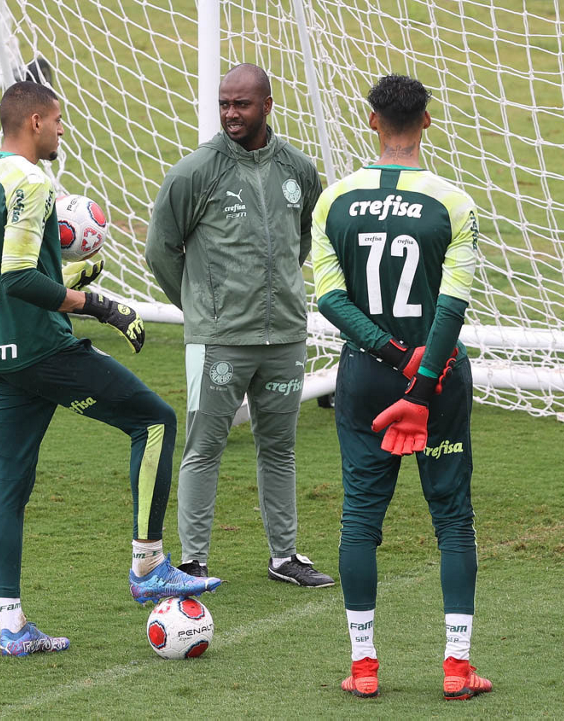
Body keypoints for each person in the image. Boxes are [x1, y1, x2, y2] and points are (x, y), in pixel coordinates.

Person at [0, 81, 220, 657]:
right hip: (43, 350)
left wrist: (62, 279)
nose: (62, 129)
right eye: (58, 120)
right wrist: (101, 306)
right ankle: (149, 566)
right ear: (35, 122)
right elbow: (18, 277)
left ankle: (13, 627)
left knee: (10, 488)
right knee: (156, 421)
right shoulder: (32, 182)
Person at [311, 74, 492, 701]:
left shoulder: (334, 200)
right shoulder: (453, 202)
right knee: (453, 520)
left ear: (372, 121)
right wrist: (421, 376)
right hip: (438, 379)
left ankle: (363, 667)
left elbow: (330, 299)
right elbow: (452, 305)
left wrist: (388, 354)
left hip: (365, 377)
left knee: (360, 519)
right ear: (427, 122)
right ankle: (456, 667)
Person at [145, 64, 332, 587]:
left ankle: (285, 557)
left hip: (285, 337)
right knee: (203, 448)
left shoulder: (298, 169)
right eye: (224, 103)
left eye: (241, 104)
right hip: (219, 342)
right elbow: (160, 250)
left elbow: (301, 239)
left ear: (267, 105)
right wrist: (202, 307)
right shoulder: (193, 172)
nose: (230, 113)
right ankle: (193, 561)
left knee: (280, 449)